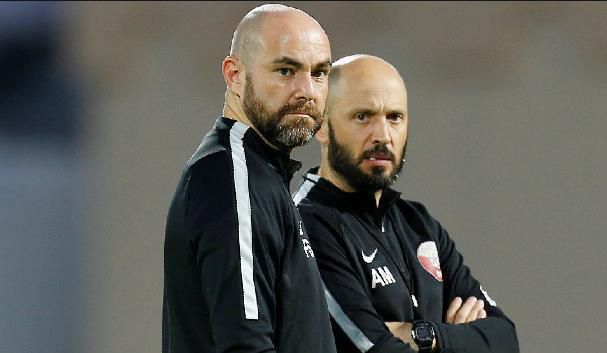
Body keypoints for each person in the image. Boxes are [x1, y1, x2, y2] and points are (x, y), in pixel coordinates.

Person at [294, 55, 519, 353]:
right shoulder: (305, 226)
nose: (383, 136)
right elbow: (373, 349)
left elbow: (504, 338)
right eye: (363, 116)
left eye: (394, 117)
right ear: (321, 125)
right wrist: (457, 339)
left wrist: (426, 336)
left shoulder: (418, 224)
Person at [162, 4, 335, 353]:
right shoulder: (231, 175)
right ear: (234, 75)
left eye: (319, 73)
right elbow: (246, 344)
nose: (307, 90)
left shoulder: (259, 174)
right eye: (286, 71)